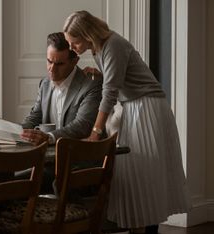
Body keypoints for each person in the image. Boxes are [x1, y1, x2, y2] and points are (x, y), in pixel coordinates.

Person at [63, 10, 189, 233]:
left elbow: (110, 93)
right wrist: (100, 74)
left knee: (145, 176)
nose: (72, 48)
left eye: (74, 43)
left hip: (146, 107)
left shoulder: (113, 45)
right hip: (134, 107)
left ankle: (147, 230)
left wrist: (95, 131)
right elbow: (118, 79)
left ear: (87, 35)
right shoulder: (99, 49)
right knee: (136, 179)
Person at [20, 32, 102, 145]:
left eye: (59, 64)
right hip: (48, 156)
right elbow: (35, 117)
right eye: (49, 61)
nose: (52, 69)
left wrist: (49, 137)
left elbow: (82, 125)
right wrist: (16, 132)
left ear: (74, 61)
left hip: (79, 156)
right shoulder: (44, 84)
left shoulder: (91, 84)